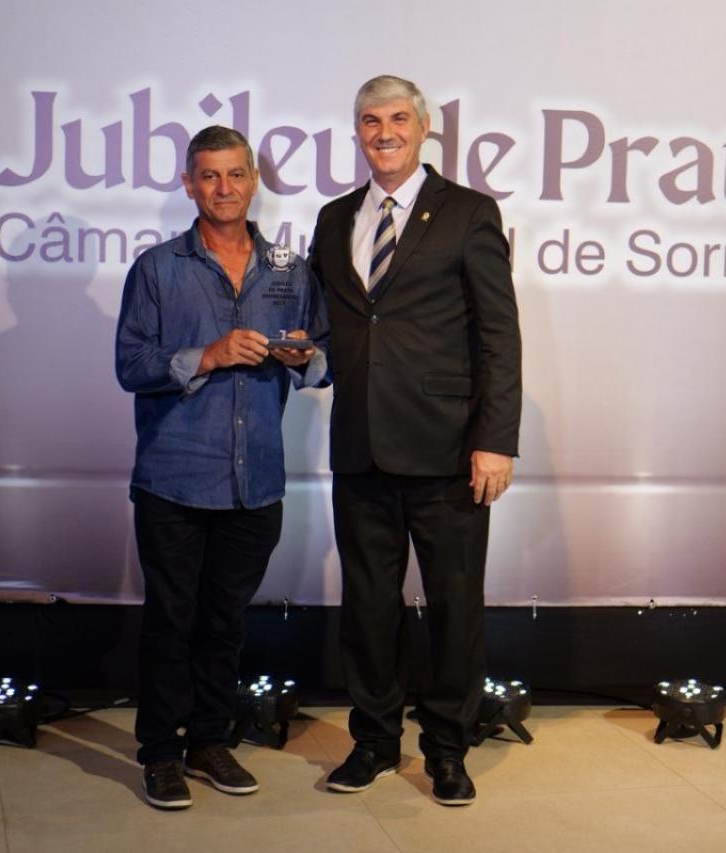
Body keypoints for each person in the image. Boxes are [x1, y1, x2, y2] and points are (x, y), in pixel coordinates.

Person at [309, 75, 522, 806]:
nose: (385, 132)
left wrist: (495, 440)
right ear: (357, 132)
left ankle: (447, 749)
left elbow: (498, 334)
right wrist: (297, 351)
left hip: (449, 451)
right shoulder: (334, 218)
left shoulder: (468, 212)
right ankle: (373, 741)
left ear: (424, 127)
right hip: (360, 447)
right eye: (371, 121)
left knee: (454, 609)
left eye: (398, 118)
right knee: (368, 608)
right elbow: (332, 326)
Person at [115, 125, 328, 810]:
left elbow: (323, 358)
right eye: (209, 176)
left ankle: (209, 741)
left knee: (225, 621)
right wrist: (208, 355)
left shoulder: (290, 270)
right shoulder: (157, 269)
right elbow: (130, 366)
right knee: (170, 621)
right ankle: (160, 752)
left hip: (255, 481)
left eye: (236, 174)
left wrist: (305, 358)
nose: (224, 188)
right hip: (174, 478)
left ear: (254, 181)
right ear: (189, 184)